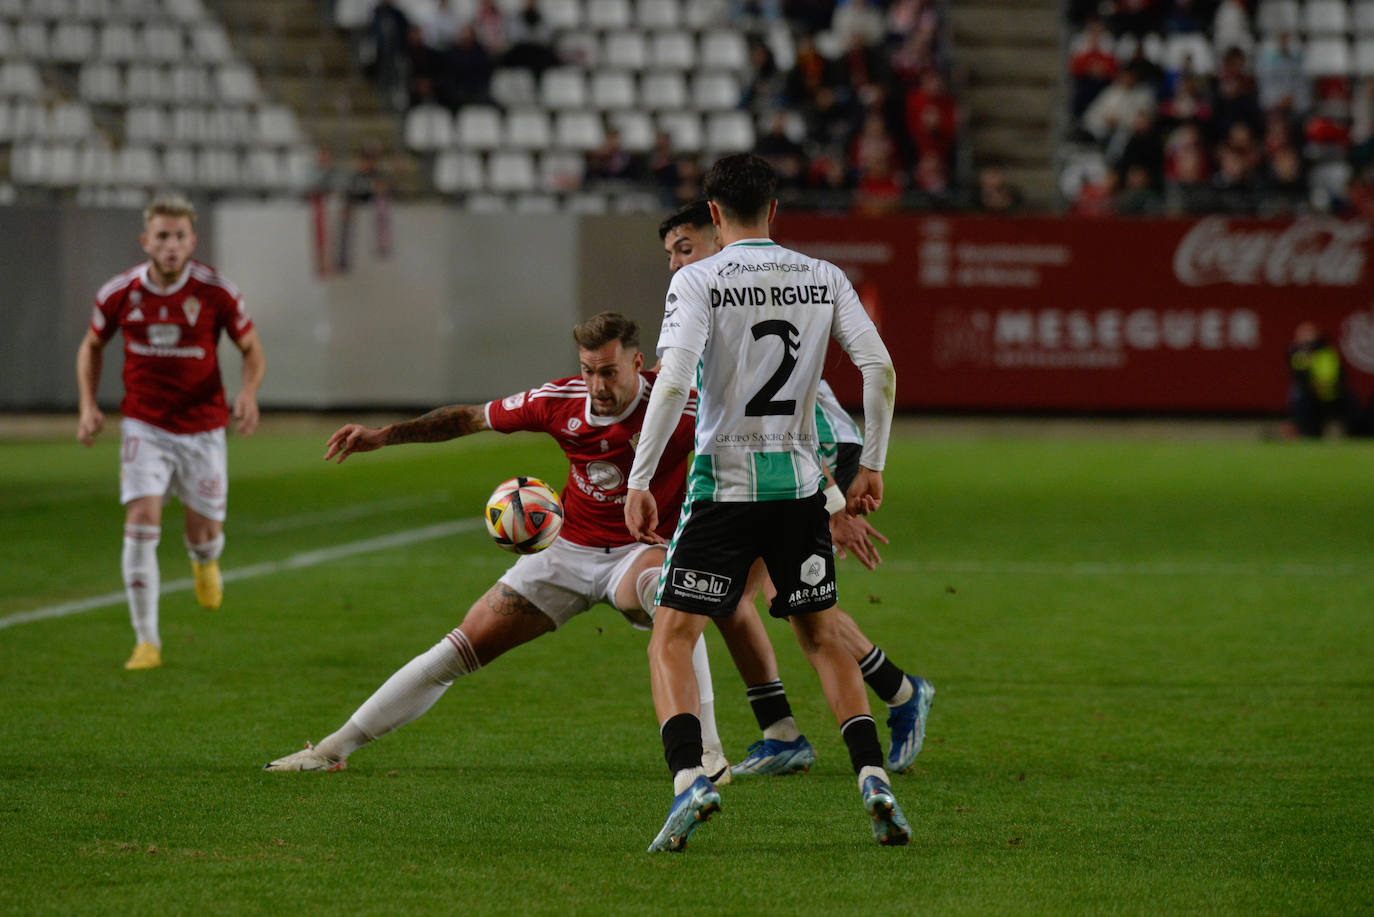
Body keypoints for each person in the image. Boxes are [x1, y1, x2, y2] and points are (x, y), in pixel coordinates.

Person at [263, 313, 732, 780]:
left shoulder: (681, 406)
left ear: (637, 362)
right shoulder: (558, 400)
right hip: (564, 551)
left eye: (609, 372)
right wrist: (385, 436)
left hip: (638, 553)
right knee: (456, 651)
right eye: (588, 370)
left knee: (668, 597)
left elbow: (736, 453)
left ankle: (709, 754)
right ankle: (331, 750)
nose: (596, 385)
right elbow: (469, 418)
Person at [627, 154, 908, 851]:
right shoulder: (824, 276)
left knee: (673, 635)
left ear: (715, 215)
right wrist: (872, 461)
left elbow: (671, 385)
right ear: (775, 209)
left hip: (722, 484)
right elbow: (880, 369)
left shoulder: (698, 280)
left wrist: (639, 477)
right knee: (817, 633)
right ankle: (872, 774)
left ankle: (689, 777)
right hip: (799, 488)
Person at [658, 200, 933, 781]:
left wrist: (834, 503)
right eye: (670, 254)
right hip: (792, 466)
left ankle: (795, 726)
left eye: (685, 247)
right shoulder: (723, 300)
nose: (677, 263)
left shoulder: (733, 290)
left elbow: (800, 429)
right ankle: (878, 697)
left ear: (718, 235)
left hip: (821, 459)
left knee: (758, 602)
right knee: (778, 604)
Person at [76, 193, 265, 671]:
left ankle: (205, 561)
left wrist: (248, 393)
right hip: (145, 424)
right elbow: (92, 346)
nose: (171, 245)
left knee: (204, 534)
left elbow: (252, 349)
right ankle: (147, 642)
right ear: (146, 241)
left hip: (203, 427)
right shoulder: (119, 293)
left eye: (180, 236)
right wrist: (87, 405)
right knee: (141, 524)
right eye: (162, 235)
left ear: (192, 240)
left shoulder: (216, 292)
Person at [1285, 322, 1368, 439]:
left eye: (1308, 334)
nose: (1305, 338)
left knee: (1353, 401)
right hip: (1310, 394)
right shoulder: (1297, 354)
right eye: (1302, 335)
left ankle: (1359, 435)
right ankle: (1307, 433)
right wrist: (1313, 385)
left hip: (1332, 392)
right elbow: (1299, 377)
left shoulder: (1327, 352)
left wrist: (1326, 385)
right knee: (1298, 396)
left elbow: (1337, 374)